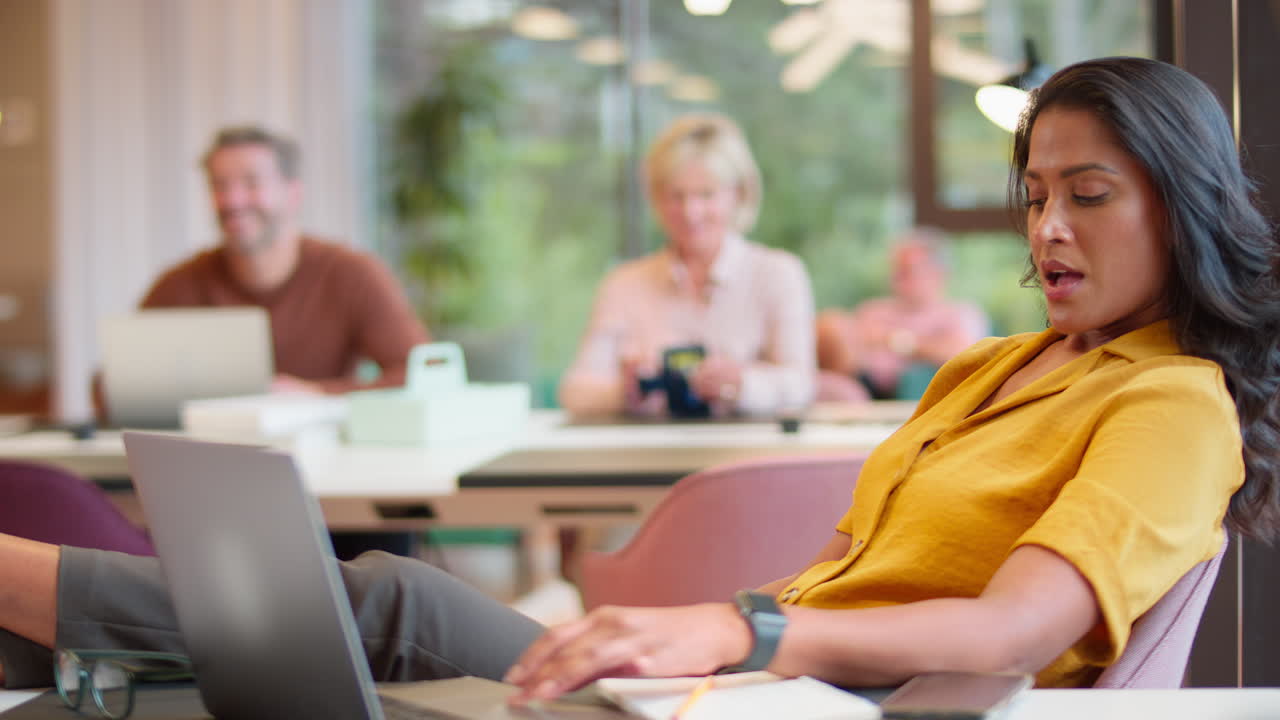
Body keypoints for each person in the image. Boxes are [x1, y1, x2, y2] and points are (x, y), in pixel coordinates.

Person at [3, 57, 1279, 697]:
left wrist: (741, 632)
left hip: (821, 705)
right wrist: (711, 651)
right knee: (347, 642)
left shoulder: (1172, 407)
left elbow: (1009, 632)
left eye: (1088, 197)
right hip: (756, 693)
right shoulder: (993, 367)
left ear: (1183, 207)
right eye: (1035, 196)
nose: (1046, 231)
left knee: (393, 608)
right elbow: (840, 565)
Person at [131, 126, 428, 396]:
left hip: (319, 452)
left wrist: (318, 394)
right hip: (212, 451)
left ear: (293, 193)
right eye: (219, 185)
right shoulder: (181, 285)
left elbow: (423, 374)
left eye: (251, 183)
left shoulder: (350, 274)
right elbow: (114, 387)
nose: (233, 201)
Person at [558, 113, 816, 418]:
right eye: (676, 196)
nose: (690, 212)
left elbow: (801, 384)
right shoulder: (623, 284)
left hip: (744, 456)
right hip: (646, 458)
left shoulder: (779, 273)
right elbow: (575, 391)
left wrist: (741, 384)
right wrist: (624, 392)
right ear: (657, 198)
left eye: (706, 195)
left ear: (738, 194)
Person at [816, 229, 989, 402]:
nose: (897, 278)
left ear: (938, 273)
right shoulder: (873, 310)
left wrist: (895, 340)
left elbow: (963, 355)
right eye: (896, 270)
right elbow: (843, 349)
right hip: (862, 387)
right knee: (832, 325)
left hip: (920, 397)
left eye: (907, 271)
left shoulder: (960, 313)